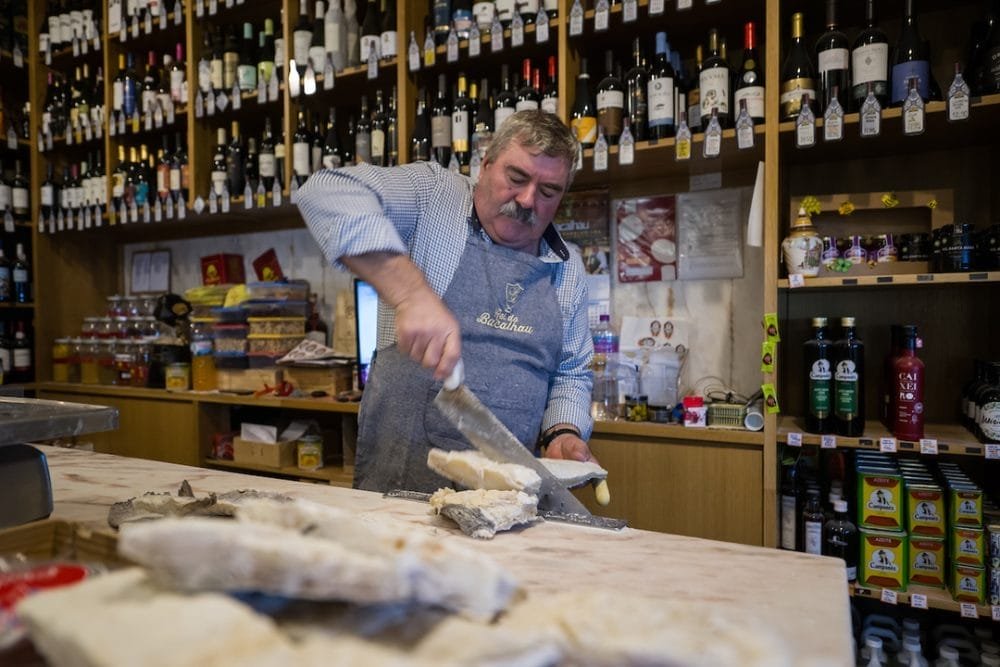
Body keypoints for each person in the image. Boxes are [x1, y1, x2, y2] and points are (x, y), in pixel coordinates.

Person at [297, 110, 597, 493]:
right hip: (400, 488)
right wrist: (409, 293)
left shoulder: (567, 268)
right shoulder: (433, 195)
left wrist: (563, 431)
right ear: (485, 163)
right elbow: (325, 191)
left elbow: (572, 372)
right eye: (516, 178)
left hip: (506, 497)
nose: (526, 199)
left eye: (548, 192)